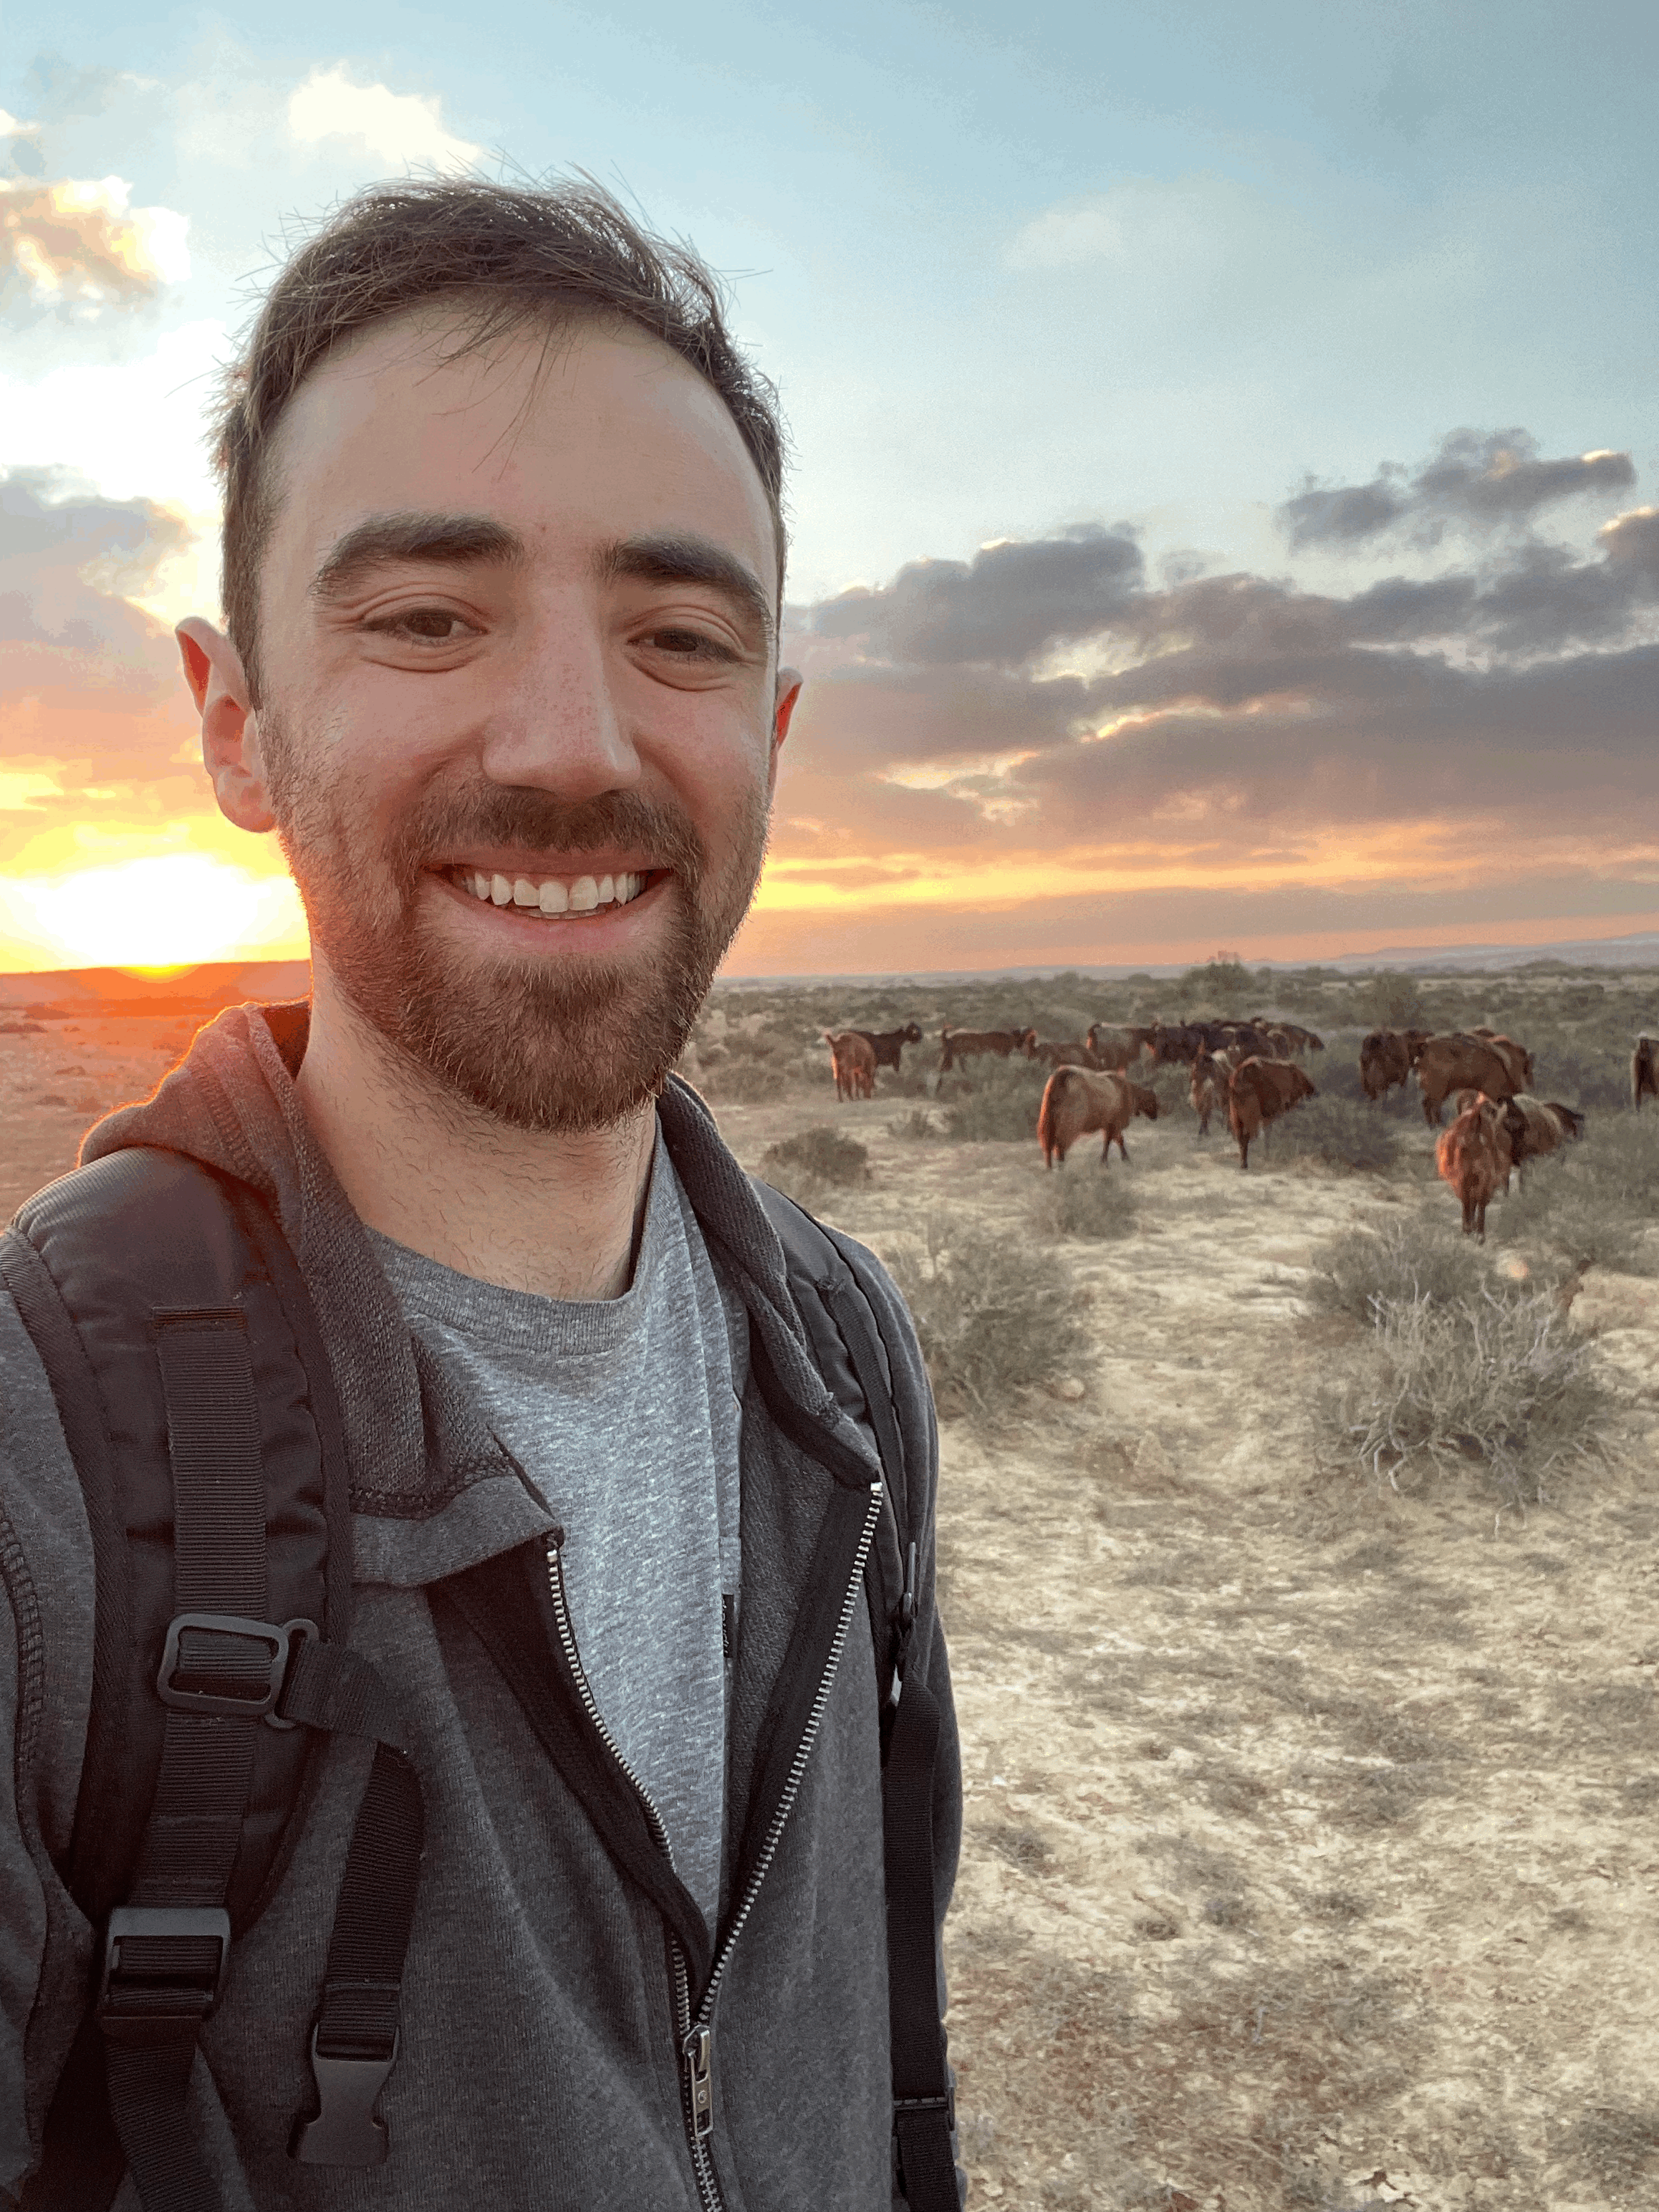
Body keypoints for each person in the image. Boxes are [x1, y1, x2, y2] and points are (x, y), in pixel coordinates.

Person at [0, 178, 961, 2210]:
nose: (567, 743)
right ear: (232, 722)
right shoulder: (43, 1463)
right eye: (427, 618)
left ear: (771, 734)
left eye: (679, 637)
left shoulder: (848, 1357)